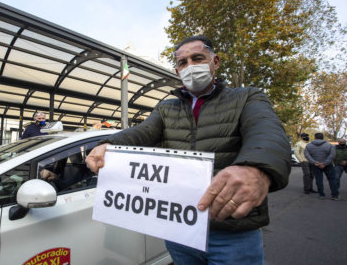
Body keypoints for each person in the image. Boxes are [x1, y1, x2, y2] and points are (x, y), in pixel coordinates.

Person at [86, 35, 290, 264]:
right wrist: (109, 144)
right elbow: (141, 132)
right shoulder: (166, 108)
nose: (190, 66)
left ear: (215, 62)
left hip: (232, 232)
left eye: (197, 58)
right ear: (177, 71)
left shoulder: (246, 97)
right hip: (179, 230)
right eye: (183, 62)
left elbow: (266, 132)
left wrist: (256, 169)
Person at [304, 133, 338, 200]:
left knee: (319, 180)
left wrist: (314, 162)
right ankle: (335, 195)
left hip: (316, 165)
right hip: (328, 165)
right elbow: (332, 155)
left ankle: (321, 195)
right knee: (332, 180)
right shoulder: (329, 145)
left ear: (315, 137)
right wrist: (325, 163)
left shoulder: (309, 145)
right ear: (323, 137)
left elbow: (307, 155)